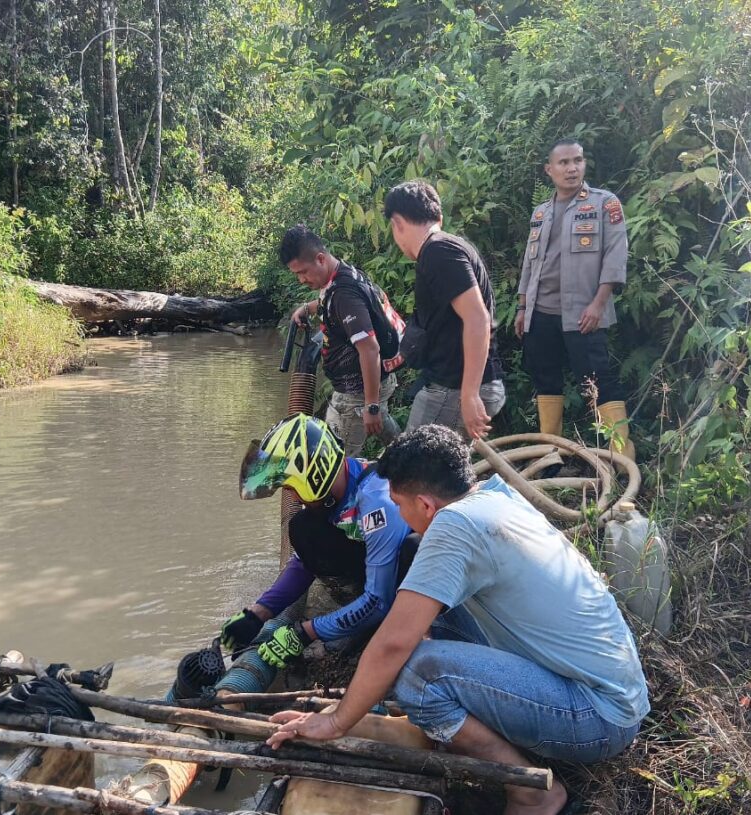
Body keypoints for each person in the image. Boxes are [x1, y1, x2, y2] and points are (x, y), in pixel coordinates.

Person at [267, 425, 649, 815]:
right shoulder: (495, 496)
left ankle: (533, 792)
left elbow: (393, 644)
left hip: (598, 718)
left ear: (425, 504)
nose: (399, 515)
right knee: (432, 618)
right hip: (607, 689)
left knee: (418, 675)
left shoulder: (455, 526)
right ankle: (447, 725)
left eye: (399, 504)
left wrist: (335, 722)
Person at [222, 412, 416, 668]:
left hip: (409, 583)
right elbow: (304, 563)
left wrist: (304, 633)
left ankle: (383, 631)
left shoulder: (377, 506)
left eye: (291, 488)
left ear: (314, 475)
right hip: (377, 569)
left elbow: (378, 601)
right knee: (303, 529)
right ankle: (354, 616)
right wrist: (258, 613)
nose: (293, 497)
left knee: (405, 559)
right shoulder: (337, 489)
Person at [514, 138, 635, 460]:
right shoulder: (541, 212)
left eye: (577, 161)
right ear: (549, 169)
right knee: (546, 382)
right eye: (564, 162)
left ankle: (622, 459)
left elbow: (615, 256)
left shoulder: (604, 204)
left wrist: (598, 304)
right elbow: (529, 264)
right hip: (541, 314)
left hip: (583, 314)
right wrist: (523, 307)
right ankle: (550, 457)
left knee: (600, 382)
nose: (572, 168)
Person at [382, 181, 505, 440]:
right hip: (460, 387)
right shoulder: (448, 247)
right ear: (439, 217)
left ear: (397, 223)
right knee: (446, 465)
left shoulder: (438, 251)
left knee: (411, 463)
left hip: (453, 390)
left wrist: (469, 394)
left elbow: (477, 318)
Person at [279, 225, 400, 456]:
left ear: (320, 259)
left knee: (333, 460)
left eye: (303, 272)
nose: (301, 279)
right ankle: (408, 460)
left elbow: (370, 349)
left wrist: (371, 405)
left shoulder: (344, 295)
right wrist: (308, 307)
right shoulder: (343, 274)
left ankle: (407, 463)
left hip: (356, 394)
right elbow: (333, 300)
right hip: (378, 382)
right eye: (296, 274)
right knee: (391, 439)